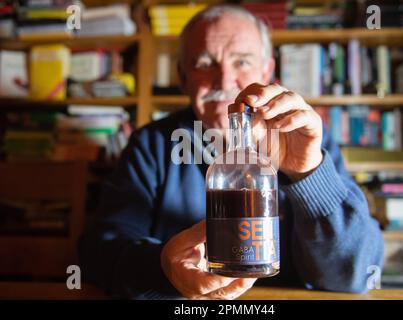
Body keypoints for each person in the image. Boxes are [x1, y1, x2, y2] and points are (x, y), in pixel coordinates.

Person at [78, 5, 384, 300]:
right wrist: (162, 270)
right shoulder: (152, 145)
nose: (224, 81)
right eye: (204, 63)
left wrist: (308, 176)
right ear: (182, 76)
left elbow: (355, 275)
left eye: (242, 62)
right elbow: (99, 254)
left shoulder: (303, 140)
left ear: (267, 70)